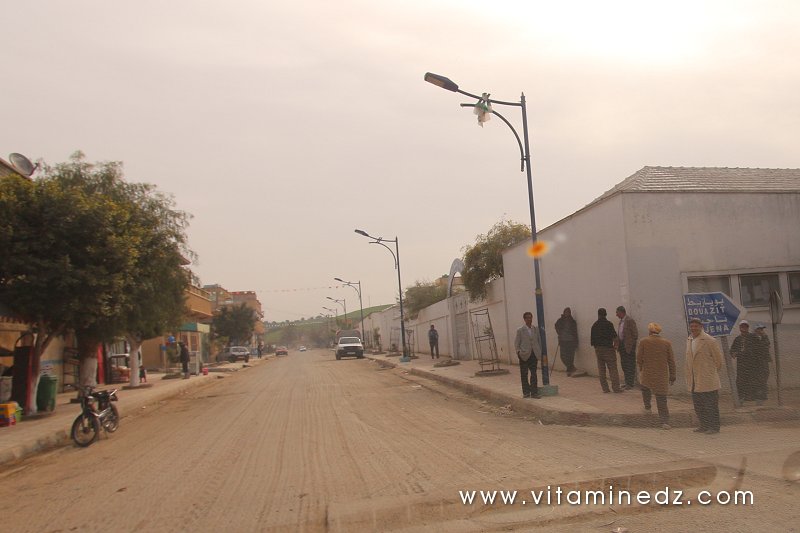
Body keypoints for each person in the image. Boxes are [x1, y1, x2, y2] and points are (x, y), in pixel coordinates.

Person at [686, 317, 723, 434]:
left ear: (701, 327)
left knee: (710, 405)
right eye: (692, 326)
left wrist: (709, 372)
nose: (694, 328)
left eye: (696, 326)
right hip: (694, 379)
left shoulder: (710, 340)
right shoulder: (689, 339)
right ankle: (704, 425)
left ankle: (714, 427)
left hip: (707, 379)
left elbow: (719, 361)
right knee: (699, 405)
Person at [637, 322, 676, 429]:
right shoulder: (667, 343)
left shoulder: (644, 341)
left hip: (647, 372)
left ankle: (647, 407)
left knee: (645, 388)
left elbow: (639, 357)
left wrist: (641, 367)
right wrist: (672, 375)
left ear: (649, 331)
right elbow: (671, 360)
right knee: (661, 398)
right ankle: (664, 421)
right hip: (661, 374)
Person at [590, 308, 623, 393]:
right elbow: (615, 337)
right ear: (606, 314)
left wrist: (597, 349)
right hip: (608, 349)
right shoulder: (609, 324)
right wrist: (616, 346)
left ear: (598, 315)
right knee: (612, 369)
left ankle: (605, 388)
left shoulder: (594, 325)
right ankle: (616, 388)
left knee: (601, 370)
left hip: (598, 349)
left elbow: (592, 341)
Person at [730, 320, 760, 403]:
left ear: (748, 327)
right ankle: (741, 399)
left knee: (753, 381)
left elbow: (757, 349)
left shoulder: (753, 337)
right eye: (742, 326)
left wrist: (740, 353)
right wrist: (733, 353)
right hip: (741, 365)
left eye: (745, 326)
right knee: (740, 382)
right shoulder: (737, 339)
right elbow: (732, 349)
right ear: (739, 328)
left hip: (752, 364)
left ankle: (756, 399)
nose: (744, 328)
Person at [514, 312, 542, 399]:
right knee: (524, 374)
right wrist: (519, 352)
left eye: (530, 317)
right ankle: (526, 392)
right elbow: (516, 343)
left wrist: (539, 351)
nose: (529, 319)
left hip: (534, 354)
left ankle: (534, 393)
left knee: (534, 373)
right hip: (524, 355)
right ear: (524, 319)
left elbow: (539, 341)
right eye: (527, 318)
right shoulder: (520, 330)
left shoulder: (535, 329)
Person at [616, 306, 639, 390]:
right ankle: (627, 382)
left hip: (629, 346)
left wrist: (632, 345)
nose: (616, 314)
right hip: (622, 346)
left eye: (617, 312)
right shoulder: (621, 322)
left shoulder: (629, 321)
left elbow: (635, 334)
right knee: (624, 364)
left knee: (630, 364)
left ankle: (630, 383)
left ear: (621, 312)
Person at [554, 307, 579, 376]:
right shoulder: (560, 320)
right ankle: (571, 367)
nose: (567, 313)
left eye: (569, 312)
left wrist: (576, 342)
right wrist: (559, 332)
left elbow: (575, 332)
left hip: (571, 341)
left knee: (571, 356)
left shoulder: (573, 322)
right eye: (566, 312)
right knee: (562, 356)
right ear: (564, 312)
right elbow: (556, 326)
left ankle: (569, 371)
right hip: (563, 340)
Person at [752, 324, 772, 405]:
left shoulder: (764, 337)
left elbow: (767, 344)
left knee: (764, 377)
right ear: (756, 330)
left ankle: (762, 396)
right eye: (760, 329)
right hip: (756, 363)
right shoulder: (753, 338)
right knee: (758, 380)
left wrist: (764, 337)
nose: (762, 331)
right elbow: (760, 347)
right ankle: (758, 398)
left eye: (762, 329)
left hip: (764, 362)